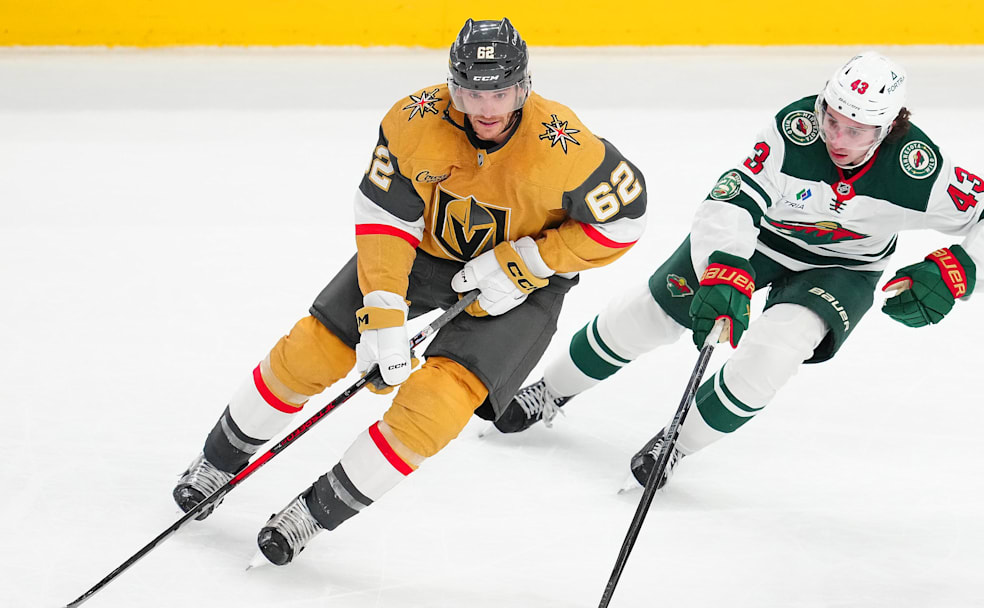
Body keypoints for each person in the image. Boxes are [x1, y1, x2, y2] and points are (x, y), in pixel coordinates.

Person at [172, 17, 647, 565]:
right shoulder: (412, 120)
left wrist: (530, 261)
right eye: (472, 91)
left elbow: (624, 220)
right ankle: (216, 461)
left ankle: (311, 514)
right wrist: (382, 311)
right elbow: (385, 219)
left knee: (437, 405)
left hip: (525, 284)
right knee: (313, 350)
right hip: (425, 252)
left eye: (500, 91)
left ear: (524, 86)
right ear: (452, 85)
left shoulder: (564, 144)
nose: (486, 108)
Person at [493, 51, 984, 489]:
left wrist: (959, 268)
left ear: (890, 127)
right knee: (650, 314)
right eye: (833, 119)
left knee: (776, 350)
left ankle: (677, 442)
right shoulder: (795, 129)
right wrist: (725, 264)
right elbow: (730, 199)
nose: (837, 139)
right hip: (760, 240)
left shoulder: (918, 170)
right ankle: (552, 390)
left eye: (856, 131)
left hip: (843, 266)